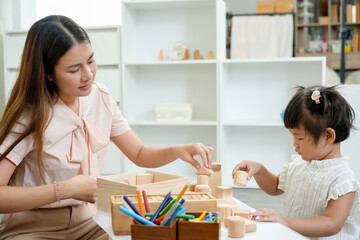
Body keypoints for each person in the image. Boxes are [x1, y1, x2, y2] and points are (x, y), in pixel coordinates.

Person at [0, 15, 214, 239]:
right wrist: (63, 190)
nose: (88, 74)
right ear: (47, 74)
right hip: (32, 226)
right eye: (74, 69)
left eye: (90, 61)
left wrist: (178, 151)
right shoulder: (30, 117)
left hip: (87, 220)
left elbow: (139, 153)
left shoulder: (100, 97)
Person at [232, 85, 360, 239]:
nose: (294, 143)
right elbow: (275, 186)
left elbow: (331, 223)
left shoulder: (342, 179)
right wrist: (259, 169)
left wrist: (287, 222)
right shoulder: (300, 164)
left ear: (328, 136)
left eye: (300, 138)